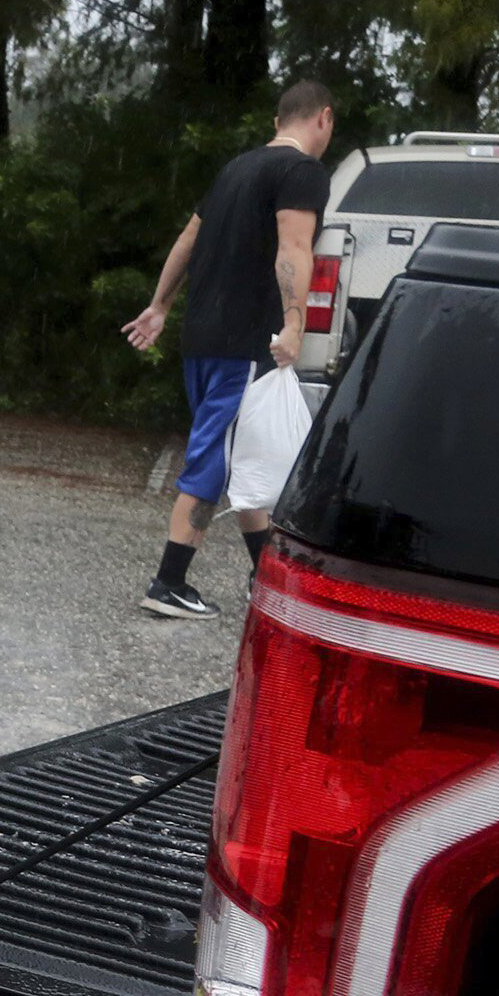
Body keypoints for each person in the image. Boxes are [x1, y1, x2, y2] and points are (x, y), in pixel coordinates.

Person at [121, 79, 336, 618]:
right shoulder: (302, 172)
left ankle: (263, 574)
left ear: (277, 122)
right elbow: (293, 248)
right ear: (324, 119)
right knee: (213, 460)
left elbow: (188, 240)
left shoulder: (235, 169)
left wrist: (160, 306)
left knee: (242, 454)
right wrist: (295, 322)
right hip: (244, 341)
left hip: (203, 336)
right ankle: (168, 583)